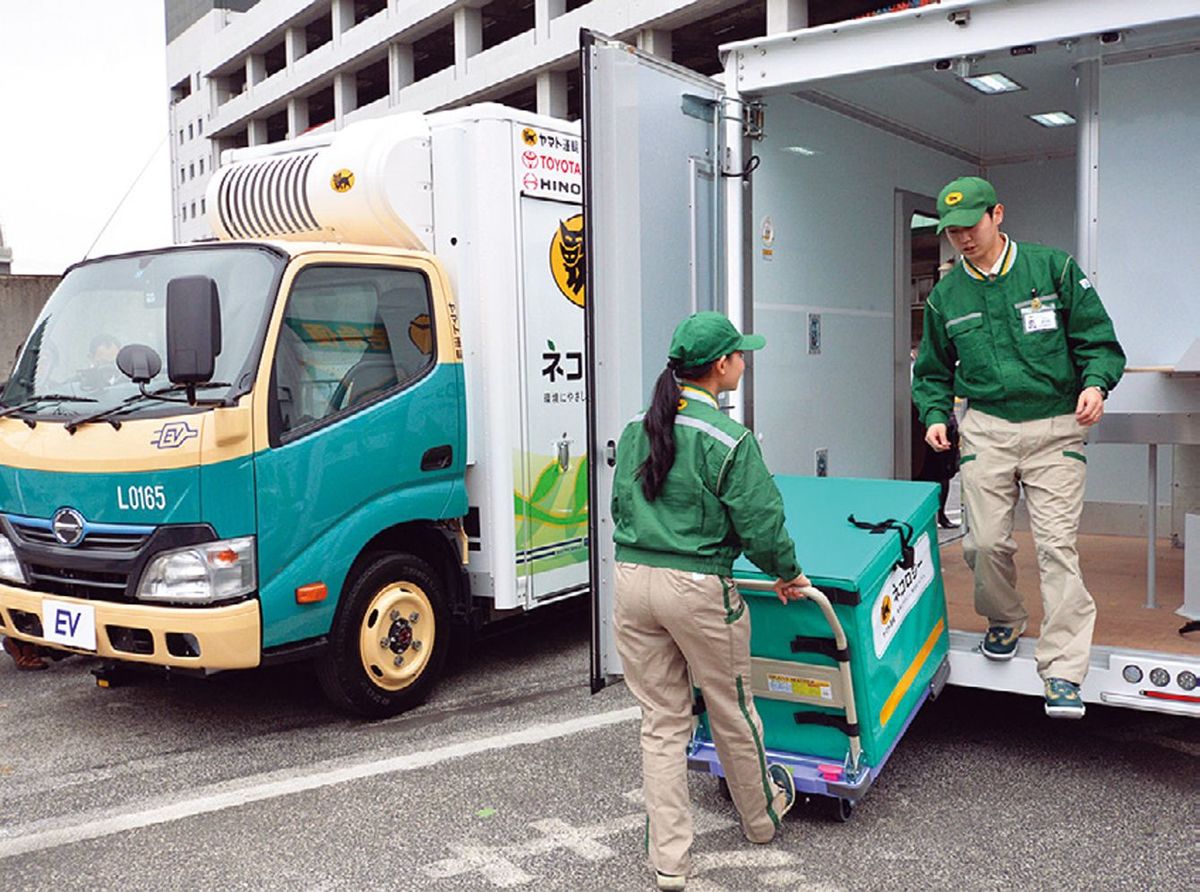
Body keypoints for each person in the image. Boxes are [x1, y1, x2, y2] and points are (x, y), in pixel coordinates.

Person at [912, 176, 1125, 719]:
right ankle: (1005, 618)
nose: (962, 238)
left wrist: (1095, 384)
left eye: (971, 226)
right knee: (982, 544)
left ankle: (1063, 670)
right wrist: (936, 414)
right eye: (952, 230)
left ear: (998, 215)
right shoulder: (946, 296)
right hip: (987, 427)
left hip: (1055, 426)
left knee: (1057, 549)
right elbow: (933, 371)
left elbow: (1098, 340)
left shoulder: (1051, 269)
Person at [611, 311, 808, 890]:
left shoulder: (633, 429)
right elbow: (762, 522)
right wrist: (787, 573)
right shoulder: (729, 438)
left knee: (662, 721)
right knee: (732, 706)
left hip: (632, 579)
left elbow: (623, 507)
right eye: (741, 354)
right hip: (696, 587)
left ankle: (669, 861)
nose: (745, 361)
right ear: (721, 366)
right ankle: (762, 819)